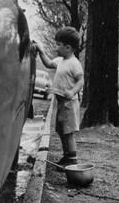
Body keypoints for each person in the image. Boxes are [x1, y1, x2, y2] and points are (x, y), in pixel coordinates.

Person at [33, 27, 84, 168]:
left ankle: (72, 159)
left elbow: (81, 81)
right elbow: (49, 64)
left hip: (69, 103)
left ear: (68, 48)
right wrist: (41, 52)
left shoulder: (74, 63)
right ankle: (67, 156)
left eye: (58, 45)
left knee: (68, 132)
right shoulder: (61, 60)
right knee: (61, 130)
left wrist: (73, 91)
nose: (56, 48)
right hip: (61, 103)